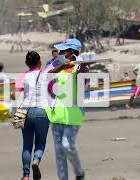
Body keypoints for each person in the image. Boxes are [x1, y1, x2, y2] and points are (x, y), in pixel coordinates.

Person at [45, 38, 87, 180]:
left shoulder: (80, 66)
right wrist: (62, 66)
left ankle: (79, 172)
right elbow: (48, 74)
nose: (60, 52)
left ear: (72, 52)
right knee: (59, 151)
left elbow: (84, 80)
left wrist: (80, 66)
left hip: (74, 113)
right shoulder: (57, 64)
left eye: (63, 50)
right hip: (56, 112)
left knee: (67, 145)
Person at [19, 51, 50, 180]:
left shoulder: (22, 77)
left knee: (27, 144)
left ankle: (26, 175)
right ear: (40, 62)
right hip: (42, 111)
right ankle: (36, 160)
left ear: (26, 63)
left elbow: (18, 94)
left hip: (26, 111)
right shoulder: (46, 75)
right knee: (40, 143)